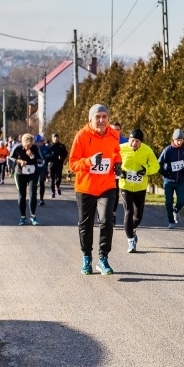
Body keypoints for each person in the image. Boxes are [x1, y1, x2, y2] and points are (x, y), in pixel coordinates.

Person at [68, 104, 122, 276]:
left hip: (107, 186)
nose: (101, 120)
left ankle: (103, 258)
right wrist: (89, 161)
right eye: (97, 117)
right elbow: (73, 164)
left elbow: (116, 153)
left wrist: (118, 164)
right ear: (90, 119)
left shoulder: (114, 135)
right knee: (86, 224)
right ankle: (86, 257)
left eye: (104, 117)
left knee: (107, 220)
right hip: (85, 188)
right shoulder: (82, 136)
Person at [119, 128, 159, 252]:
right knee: (128, 211)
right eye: (132, 140)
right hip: (125, 186)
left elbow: (156, 166)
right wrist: (119, 171)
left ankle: (132, 229)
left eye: (137, 141)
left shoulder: (147, 150)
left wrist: (146, 170)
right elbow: (113, 161)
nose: (134, 144)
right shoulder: (121, 148)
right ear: (128, 139)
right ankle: (130, 241)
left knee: (138, 216)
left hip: (140, 187)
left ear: (141, 142)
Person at [158, 128, 184, 229]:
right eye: (178, 140)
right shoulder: (168, 150)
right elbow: (159, 163)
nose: (179, 142)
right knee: (168, 202)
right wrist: (164, 172)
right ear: (173, 140)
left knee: (182, 201)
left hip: (180, 180)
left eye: (181, 140)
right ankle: (171, 221)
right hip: (169, 181)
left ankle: (176, 210)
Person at [9, 133, 42, 226]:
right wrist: (19, 161)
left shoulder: (35, 148)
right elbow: (11, 157)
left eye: (30, 144)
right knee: (22, 194)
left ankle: (33, 216)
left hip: (33, 173)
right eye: (27, 145)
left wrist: (32, 156)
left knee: (33, 193)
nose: (29, 146)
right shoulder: (18, 148)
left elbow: (41, 160)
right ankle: (22, 217)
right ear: (23, 143)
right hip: (20, 173)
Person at [110, 121, 128, 224]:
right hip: (107, 170)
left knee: (115, 192)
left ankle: (113, 213)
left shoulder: (125, 141)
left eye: (117, 129)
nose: (115, 131)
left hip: (119, 169)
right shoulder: (106, 139)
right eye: (113, 129)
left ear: (120, 130)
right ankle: (104, 213)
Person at [48, 133, 68, 198]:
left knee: (58, 178)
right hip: (51, 165)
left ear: (58, 138)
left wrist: (62, 157)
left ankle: (57, 186)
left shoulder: (62, 146)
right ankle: (53, 192)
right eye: (54, 137)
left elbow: (65, 153)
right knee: (52, 179)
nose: (56, 138)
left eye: (57, 137)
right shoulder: (49, 146)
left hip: (59, 164)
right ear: (52, 138)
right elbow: (46, 155)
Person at [35, 135, 51, 205]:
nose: (40, 143)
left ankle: (41, 199)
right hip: (35, 168)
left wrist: (47, 157)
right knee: (34, 184)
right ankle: (34, 198)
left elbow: (51, 154)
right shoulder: (33, 148)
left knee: (42, 183)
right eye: (38, 142)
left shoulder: (46, 148)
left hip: (43, 168)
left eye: (41, 141)